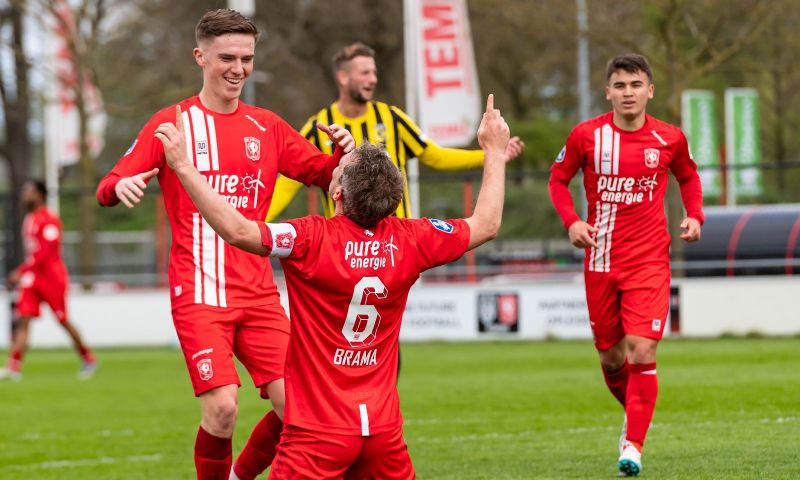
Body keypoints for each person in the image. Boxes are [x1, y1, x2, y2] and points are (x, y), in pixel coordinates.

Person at [154, 93, 509, 479]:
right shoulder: (415, 238)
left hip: (316, 434)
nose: (336, 165)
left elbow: (238, 231)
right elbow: (486, 223)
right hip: (383, 433)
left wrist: (185, 168)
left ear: (337, 193)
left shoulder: (310, 238)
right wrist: (494, 150)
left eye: (342, 168)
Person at [95, 9, 354, 480]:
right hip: (198, 295)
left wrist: (342, 151)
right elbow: (108, 183)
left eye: (247, 59)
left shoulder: (266, 126)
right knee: (222, 409)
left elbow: (321, 173)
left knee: (299, 406)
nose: (238, 69)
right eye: (227, 58)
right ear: (200, 57)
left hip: (258, 294)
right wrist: (120, 188)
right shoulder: (171, 123)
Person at [548, 53, 703, 477]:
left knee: (643, 349)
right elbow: (558, 179)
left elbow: (688, 177)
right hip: (599, 260)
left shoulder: (670, 138)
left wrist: (695, 215)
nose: (628, 93)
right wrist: (572, 221)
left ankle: (633, 445)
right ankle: (634, 417)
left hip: (650, 259)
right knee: (613, 360)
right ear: (608, 92)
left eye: (636, 85)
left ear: (649, 90)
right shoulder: (586, 136)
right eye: (620, 85)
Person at [266, 42, 525, 220]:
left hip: (397, 243)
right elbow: (287, 184)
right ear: (343, 78)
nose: (373, 79)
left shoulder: (392, 118)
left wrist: (490, 155)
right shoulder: (318, 126)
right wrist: (251, 225)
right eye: (365, 73)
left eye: (374, 72)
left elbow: (434, 156)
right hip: (343, 249)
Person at [0, 180, 97, 381]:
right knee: (23, 319)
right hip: (32, 278)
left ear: (40, 195)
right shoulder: (30, 219)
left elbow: (45, 252)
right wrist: (26, 272)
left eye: (29, 191)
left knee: (62, 320)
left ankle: (88, 358)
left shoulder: (50, 220)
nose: (24, 194)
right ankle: (14, 366)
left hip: (51, 278)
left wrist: (22, 270)